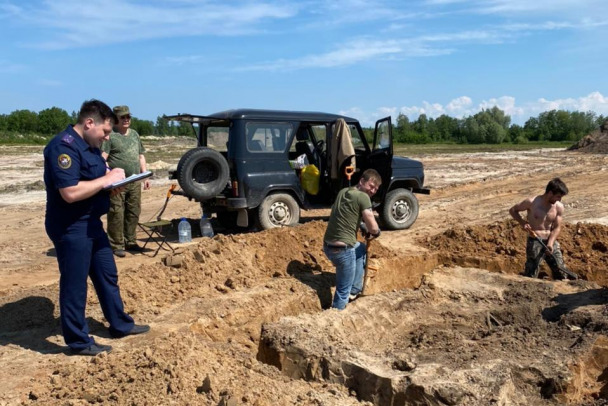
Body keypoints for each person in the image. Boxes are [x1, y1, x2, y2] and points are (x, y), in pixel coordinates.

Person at [44, 99, 150, 356]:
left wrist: (113, 184)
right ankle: (78, 342)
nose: (106, 138)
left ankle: (120, 324)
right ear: (89, 123)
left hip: (91, 222)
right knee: (75, 284)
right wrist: (107, 178)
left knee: (106, 273)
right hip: (71, 226)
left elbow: (97, 180)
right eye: (104, 131)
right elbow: (70, 192)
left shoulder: (91, 146)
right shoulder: (63, 147)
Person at [323, 168, 382, 310]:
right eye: (371, 186)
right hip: (343, 250)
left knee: (360, 248)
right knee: (342, 291)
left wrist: (361, 225)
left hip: (328, 246)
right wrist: (377, 232)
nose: (373, 190)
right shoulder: (363, 197)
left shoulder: (343, 192)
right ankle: (336, 317)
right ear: (362, 181)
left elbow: (344, 214)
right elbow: (373, 227)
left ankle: (354, 290)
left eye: (376, 189)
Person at [101, 105, 150, 257]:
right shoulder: (111, 136)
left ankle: (131, 241)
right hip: (118, 183)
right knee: (116, 212)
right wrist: (108, 176)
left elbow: (141, 155)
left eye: (128, 116)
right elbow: (102, 159)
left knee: (133, 211)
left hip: (134, 180)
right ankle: (116, 244)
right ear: (115, 120)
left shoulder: (134, 134)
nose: (126, 119)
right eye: (123, 117)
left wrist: (145, 175)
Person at [509, 178, 570, 280]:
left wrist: (550, 243)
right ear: (550, 193)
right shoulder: (532, 202)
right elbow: (513, 210)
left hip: (550, 241)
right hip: (535, 240)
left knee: (561, 270)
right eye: (558, 196)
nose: (559, 200)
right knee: (531, 274)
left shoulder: (558, 207)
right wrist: (522, 222)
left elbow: (557, 227)